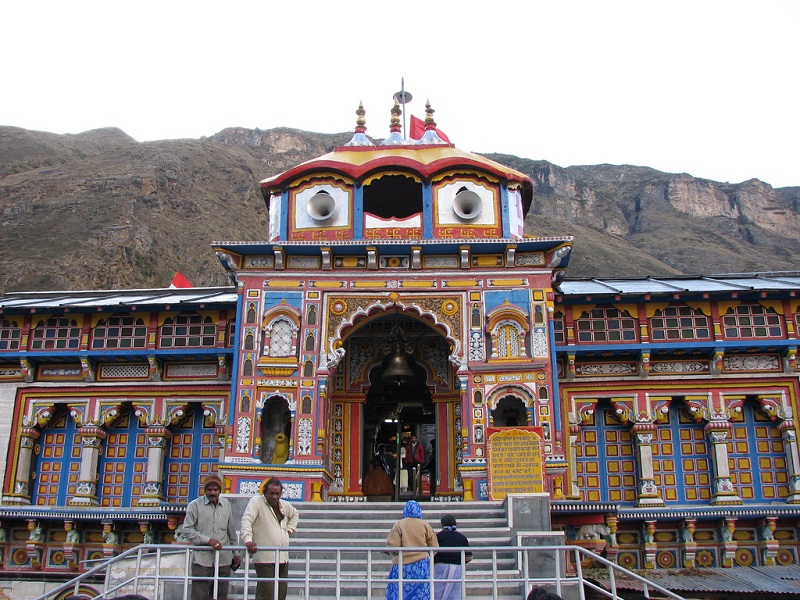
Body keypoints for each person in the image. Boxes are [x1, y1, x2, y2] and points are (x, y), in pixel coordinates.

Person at [181, 474, 241, 600]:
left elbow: (231, 533)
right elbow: (186, 530)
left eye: (216, 490)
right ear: (205, 491)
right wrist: (208, 541)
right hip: (202, 560)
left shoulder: (226, 505)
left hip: (223, 560)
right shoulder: (195, 505)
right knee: (200, 595)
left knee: (221, 595)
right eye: (209, 490)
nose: (212, 492)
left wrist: (236, 553)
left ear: (220, 491)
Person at [241, 477, 300, 600]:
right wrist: (248, 540)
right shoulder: (256, 502)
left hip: (283, 557)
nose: (275, 497)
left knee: (281, 593)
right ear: (264, 492)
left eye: (277, 494)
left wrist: (289, 530)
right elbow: (247, 520)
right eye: (271, 493)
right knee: (267, 593)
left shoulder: (284, 505)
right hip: (265, 556)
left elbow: (295, 514)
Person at [386, 500, 439, 600]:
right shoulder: (425, 525)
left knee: (400, 592)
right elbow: (434, 546)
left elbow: (394, 547)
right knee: (421, 593)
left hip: (402, 565)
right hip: (421, 565)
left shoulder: (399, 525)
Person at [433, 515, 471, 600]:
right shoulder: (462, 537)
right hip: (457, 568)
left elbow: (432, 552)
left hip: (439, 568)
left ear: (442, 524)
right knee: (455, 595)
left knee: (438, 595)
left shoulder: (437, 536)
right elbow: (469, 557)